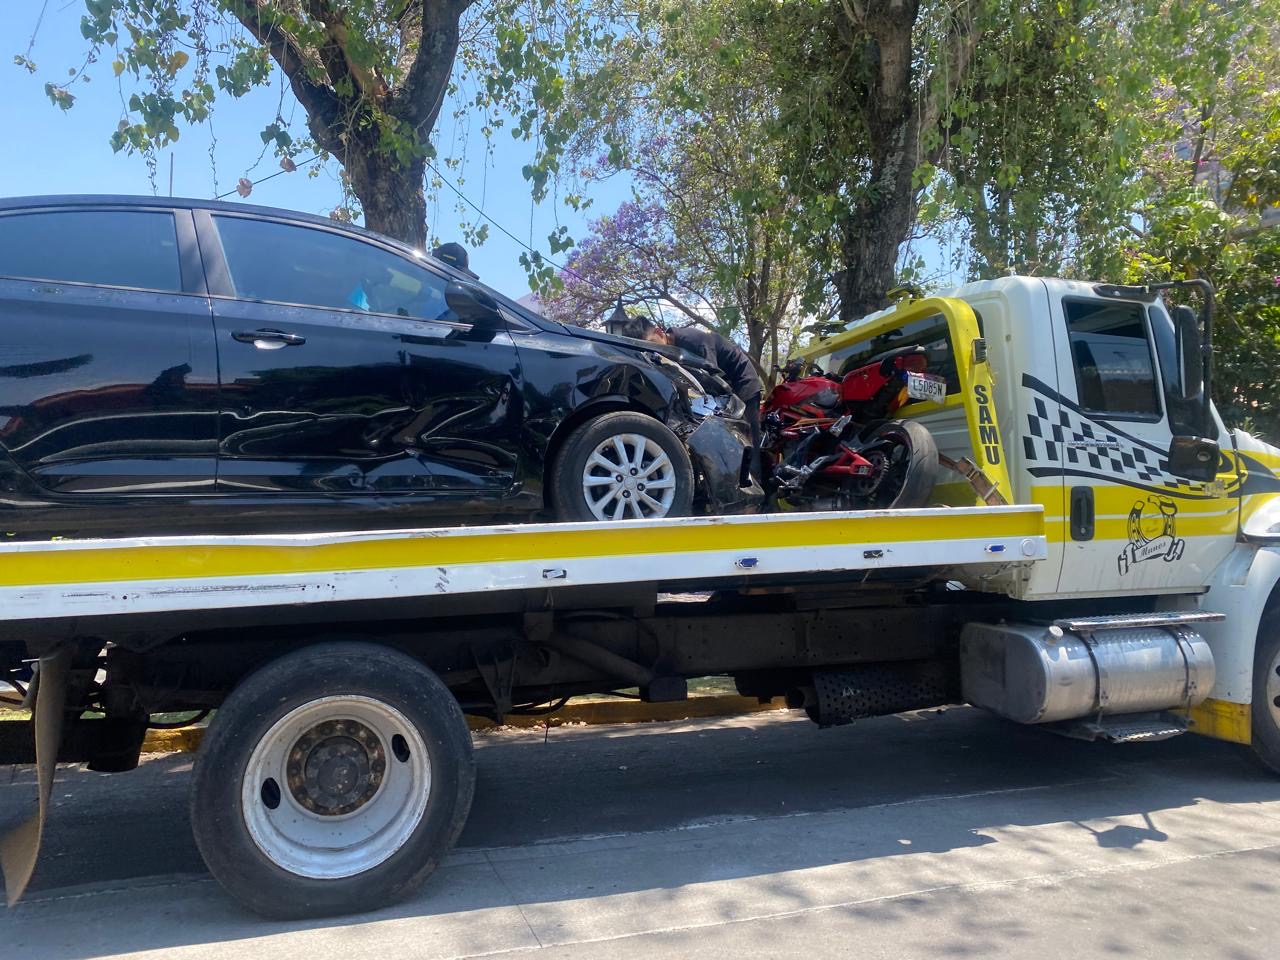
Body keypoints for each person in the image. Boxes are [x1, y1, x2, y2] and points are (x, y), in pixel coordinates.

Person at [607, 308, 763, 481]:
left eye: (653, 343)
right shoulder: (671, 351)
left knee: (747, 440)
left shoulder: (692, 341)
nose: (654, 351)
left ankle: (758, 490)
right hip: (726, 388)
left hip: (743, 382)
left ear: (659, 332)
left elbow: (711, 377)